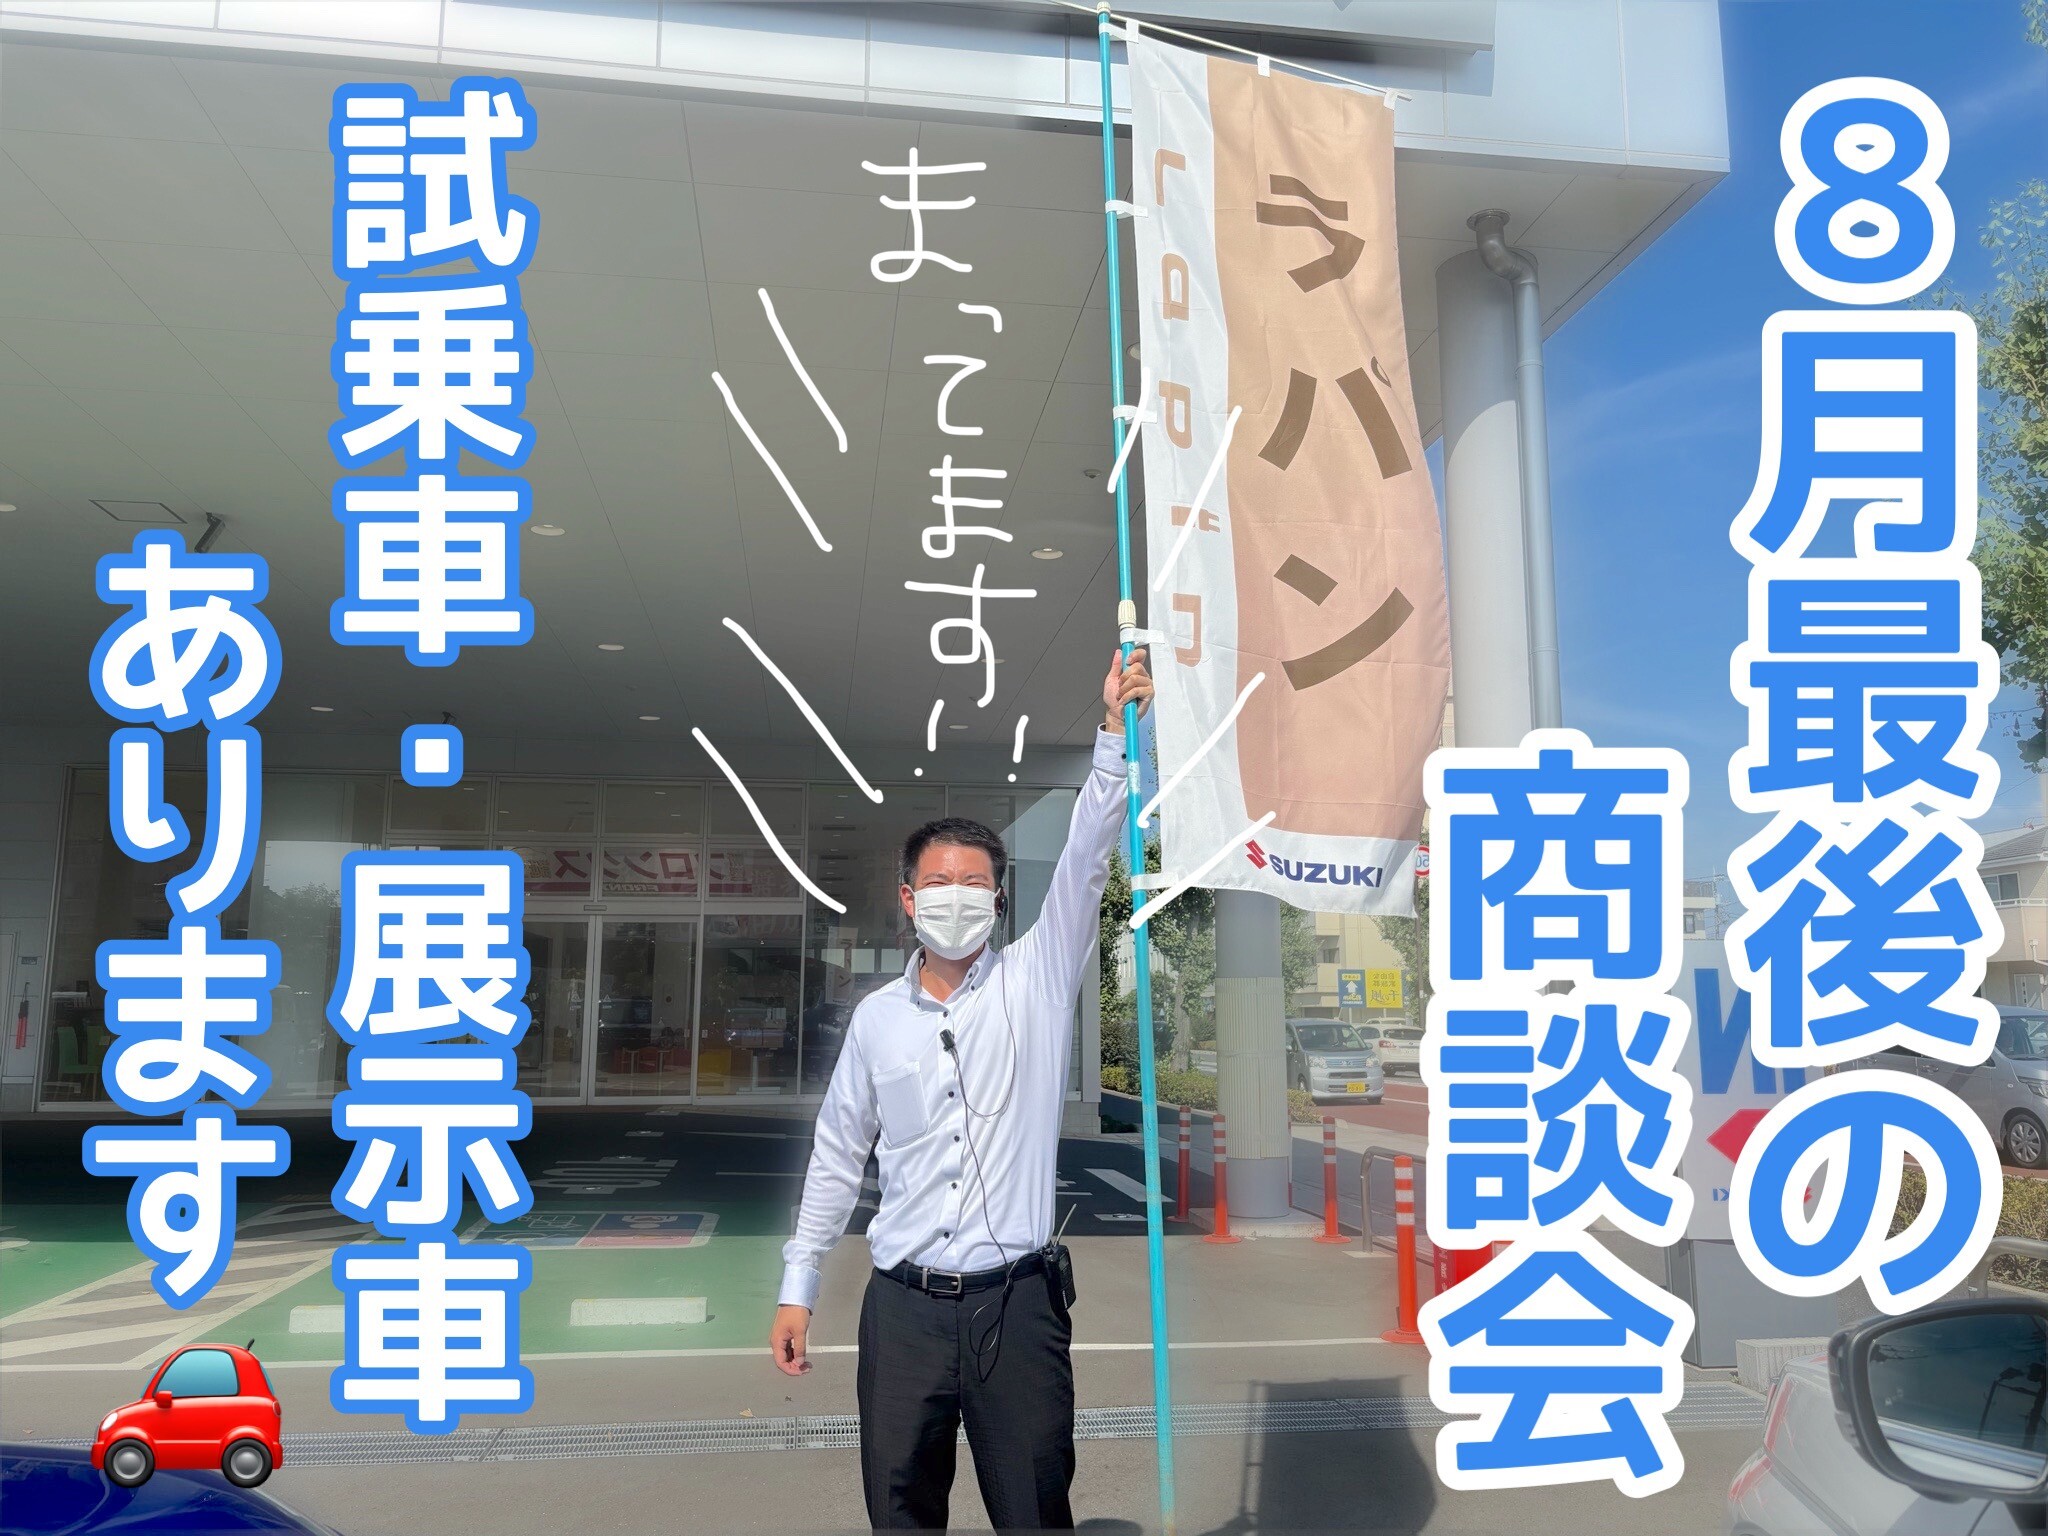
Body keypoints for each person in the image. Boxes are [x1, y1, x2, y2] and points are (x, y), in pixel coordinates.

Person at [769, 647, 1154, 1532]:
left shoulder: (1037, 981)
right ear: (907, 900)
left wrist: (1110, 735)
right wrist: (799, 1282)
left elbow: (1087, 861)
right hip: (901, 1310)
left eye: (975, 884)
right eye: (938, 884)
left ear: (1000, 900)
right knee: (900, 1509)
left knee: (1032, 1507)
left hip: (1016, 1307)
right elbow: (838, 1153)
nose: (956, 897)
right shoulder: (876, 1020)